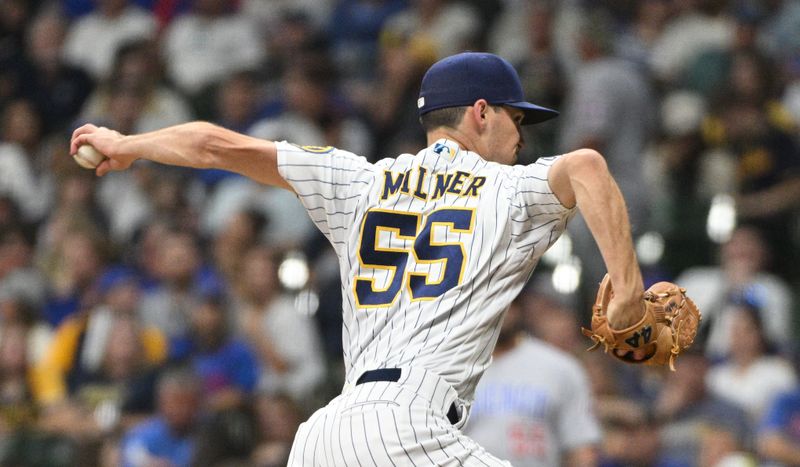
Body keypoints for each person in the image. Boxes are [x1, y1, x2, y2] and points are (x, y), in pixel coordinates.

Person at [71, 51, 648, 465]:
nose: (520, 137)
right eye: (515, 119)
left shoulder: (360, 180)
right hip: (411, 428)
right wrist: (627, 289)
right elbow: (588, 167)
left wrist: (129, 145)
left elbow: (215, 144)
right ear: (480, 113)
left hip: (324, 437)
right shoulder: (509, 189)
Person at [464, 296, 601, 466]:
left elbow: (581, 447)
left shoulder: (559, 367)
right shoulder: (452, 370)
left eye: (506, 303)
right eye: (488, 303)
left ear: (519, 307)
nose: (498, 312)